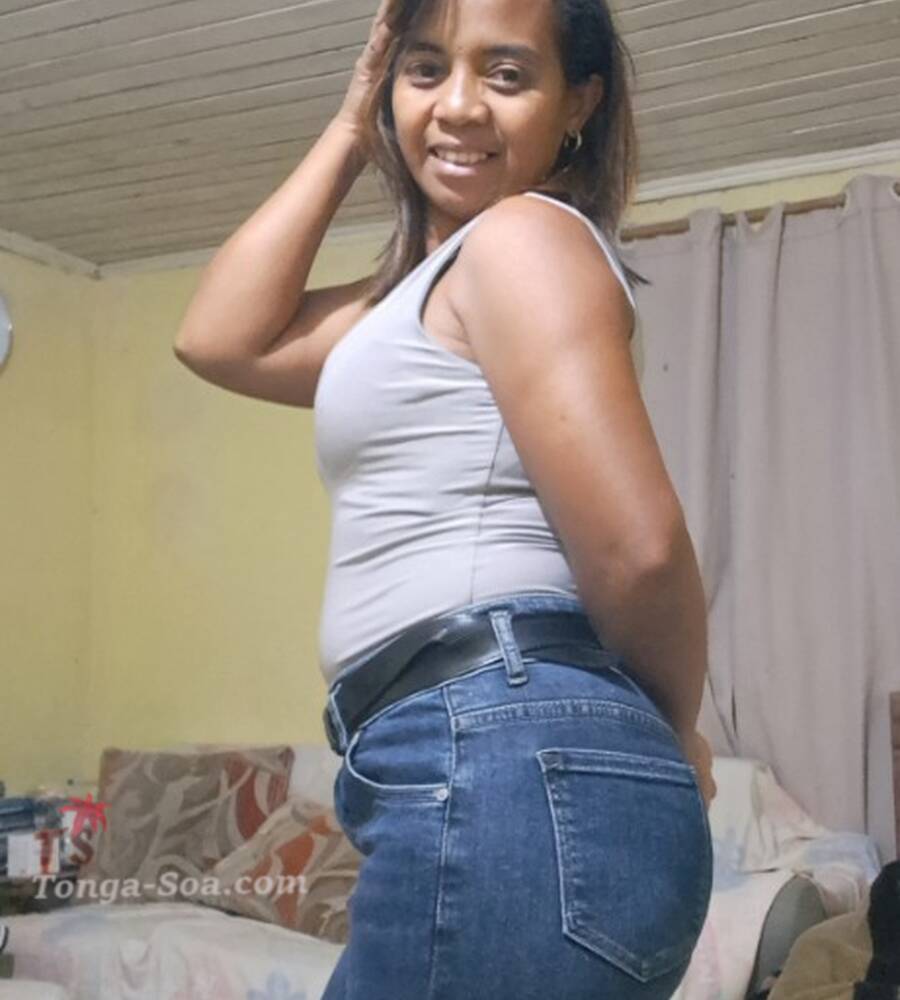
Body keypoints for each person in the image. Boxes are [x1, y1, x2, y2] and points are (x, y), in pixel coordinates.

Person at [174, 0, 717, 996]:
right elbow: (217, 337)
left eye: (505, 75)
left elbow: (638, 551)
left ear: (578, 104)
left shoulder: (521, 239)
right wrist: (355, 121)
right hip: (471, 750)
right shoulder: (423, 295)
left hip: (500, 740)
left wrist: (673, 737)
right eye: (426, 70)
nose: (458, 106)